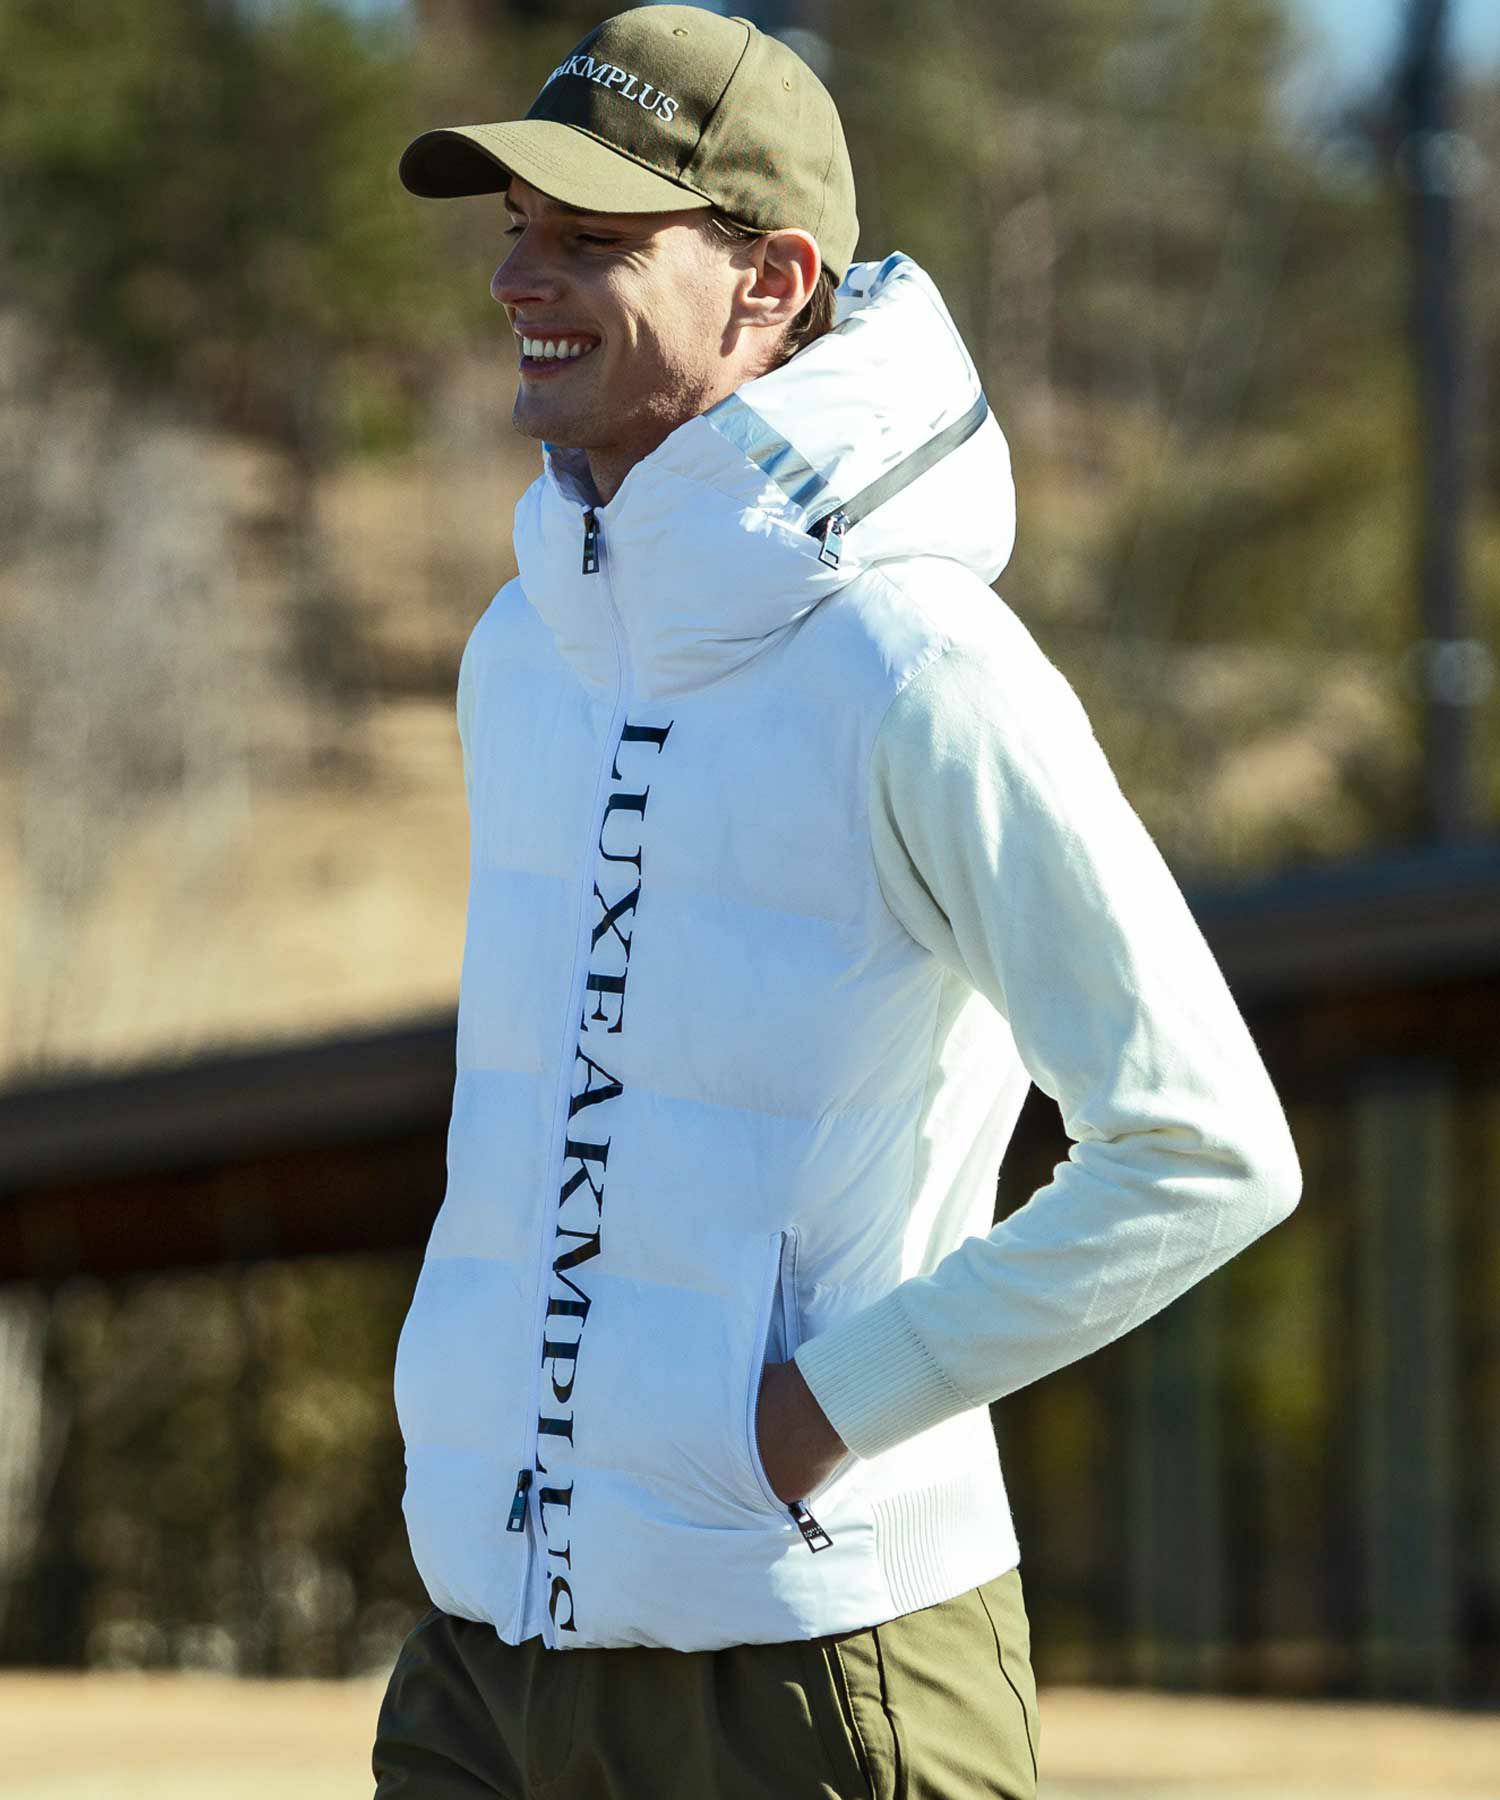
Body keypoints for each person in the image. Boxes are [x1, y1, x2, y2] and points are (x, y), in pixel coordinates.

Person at [373, 7, 1302, 1796]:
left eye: (591, 238)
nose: (517, 278)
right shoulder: (522, 649)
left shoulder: (921, 664)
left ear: (773, 279)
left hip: (815, 1665)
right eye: (514, 227)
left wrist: (807, 1423)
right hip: (486, 1656)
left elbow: (1205, 1147)